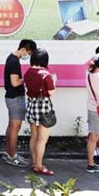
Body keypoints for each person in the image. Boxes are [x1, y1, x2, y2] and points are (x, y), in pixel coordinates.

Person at [3, 39, 37, 168]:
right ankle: (12, 156)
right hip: (15, 97)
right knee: (14, 128)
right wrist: (27, 78)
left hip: (12, 97)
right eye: (28, 53)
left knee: (11, 126)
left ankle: (9, 153)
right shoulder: (14, 61)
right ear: (24, 49)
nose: (27, 56)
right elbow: (15, 82)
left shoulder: (12, 59)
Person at [23, 48, 57, 176]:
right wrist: (54, 81)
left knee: (34, 136)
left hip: (31, 104)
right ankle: (39, 165)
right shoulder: (46, 74)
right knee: (42, 139)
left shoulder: (28, 72)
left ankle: (34, 162)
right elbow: (52, 93)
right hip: (43, 107)